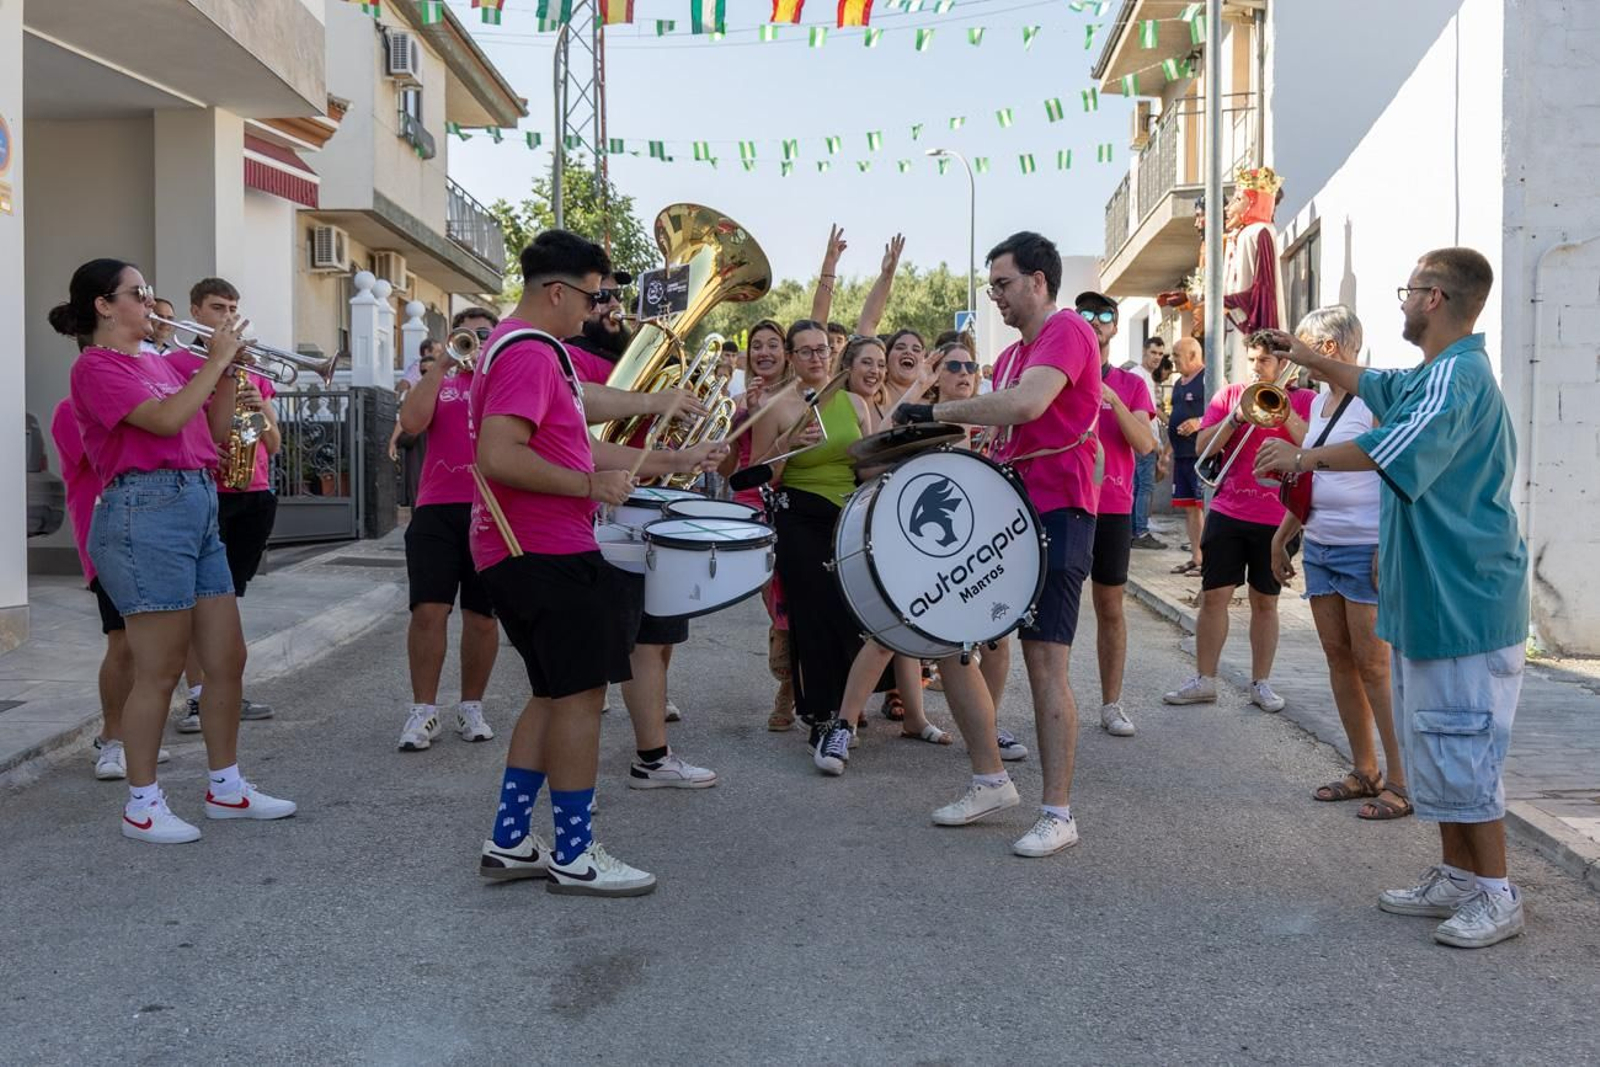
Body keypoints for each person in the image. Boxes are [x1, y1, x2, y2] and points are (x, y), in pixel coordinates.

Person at [1255, 249, 1529, 948]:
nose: (1401, 301)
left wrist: (1303, 458)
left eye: (1408, 289)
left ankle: (1497, 892)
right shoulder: (1436, 374)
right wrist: (1307, 358)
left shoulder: (1456, 379)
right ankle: (1458, 875)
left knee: (1465, 746)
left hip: (1466, 601)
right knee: (1439, 743)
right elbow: (1371, 382)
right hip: (1437, 600)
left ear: (1433, 298)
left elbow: (1385, 445)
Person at [470, 232, 726, 896]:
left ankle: (509, 840)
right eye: (593, 294)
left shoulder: (526, 348)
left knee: (551, 695)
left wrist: (668, 452)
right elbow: (501, 454)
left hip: (525, 550)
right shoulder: (528, 353)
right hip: (544, 551)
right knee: (581, 700)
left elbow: (580, 426)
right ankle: (576, 853)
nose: (596, 309)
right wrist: (588, 489)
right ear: (558, 290)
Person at [54, 258, 295, 843]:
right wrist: (213, 361)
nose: (148, 301)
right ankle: (141, 803)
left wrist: (232, 374)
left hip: (197, 503)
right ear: (104, 307)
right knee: (158, 670)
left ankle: (227, 787)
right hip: (143, 510)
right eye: (137, 293)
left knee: (226, 658)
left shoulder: (159, 363)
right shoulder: (96, 368)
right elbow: (162, 422)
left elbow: (210, 434)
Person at [894, 231, 1102, 858]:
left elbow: (1028, 405)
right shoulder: (1011, 354)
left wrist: (932, 415)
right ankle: (990, 779)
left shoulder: (1067, 330)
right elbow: (999, 427)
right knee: (951, 638)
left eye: (1004, 285)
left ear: (1038, 281)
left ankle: (1058, 812)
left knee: (1046, 663)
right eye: (992, 288)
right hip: (1008, 516)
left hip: (1060, 512)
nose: (997, 298)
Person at [565, 276, 717, 786]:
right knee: (608, 651)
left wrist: (684, 447)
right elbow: (585, 426)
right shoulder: (568, 356)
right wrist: (656, 406)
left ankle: (652, 754)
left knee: (657, 633)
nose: (611, 305)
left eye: (615, 297)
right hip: (598, 512)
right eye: (599, 297)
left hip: (650, 503)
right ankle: (575, 794)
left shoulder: (638, 354)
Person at [1265, 306, 1408, 820]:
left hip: (1365, 547)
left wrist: (1387, 547)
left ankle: (1401, 779)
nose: (1291, 359)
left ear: (1325, 349)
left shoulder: (1373, 399)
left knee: (1374, 665)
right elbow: (1313, 480)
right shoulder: (1323, 405)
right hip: (1323, 545)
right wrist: (1285, 537)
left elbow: (1399, 471)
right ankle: (1364, 769)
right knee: (1338, 659)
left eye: (1298, 347)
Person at [748, 319, 876, 769]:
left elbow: (869, 465)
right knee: (814, 615)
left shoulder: (856, 402)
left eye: (822, 349)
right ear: (791, 356)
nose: (816, 358)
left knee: (852, 612)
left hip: (850, 516)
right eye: (805, 351)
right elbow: (759, 472)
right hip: (798, 514)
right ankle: (820, 717)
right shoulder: (775, 404)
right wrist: (788, 443)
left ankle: (846, 713)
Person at [1163, 332, 1312, 712]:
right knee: (1214, 597)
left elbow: (1311, 446)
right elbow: (1201, 448)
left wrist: (1284, 410)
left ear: (1282, 364)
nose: (1255, 368)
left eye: (1263, 361)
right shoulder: (1229, 397)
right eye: (1252, 360)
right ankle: (1204, 679)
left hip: (1277, 518)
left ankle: (1261, 683)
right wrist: (1234, 418)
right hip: (1229, 511)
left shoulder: (1306, 400)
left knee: (1266, 602)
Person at [164, 278, 279, 732]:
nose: (227, 315)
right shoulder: (175, 363)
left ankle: (226, 689)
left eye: (233, 307)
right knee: (199, 600)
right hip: (205, 491)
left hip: (252, 490)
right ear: (195, 311)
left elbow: (271, 443)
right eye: (217, 307)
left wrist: (259, 409)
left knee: (227, 602)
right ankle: (197, 697)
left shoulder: (252, 369)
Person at [51, 384, 172, 780]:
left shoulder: (139, 408)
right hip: (106, 538)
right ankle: (111, 740)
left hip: (147, 532)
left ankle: (133, 735)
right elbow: (110, 461)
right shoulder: (72, 410)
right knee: (121, 641)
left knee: (145, 645)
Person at [394, 333, 499, 752]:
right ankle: (424, 711)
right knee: (428, 610)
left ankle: (471, 706)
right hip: (437, 506)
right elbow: (412, 423)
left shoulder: (502, 381)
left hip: (491, 507)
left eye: (484, 335)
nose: (475, 345)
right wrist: (441, 367)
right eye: (467, 336)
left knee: (482, 617)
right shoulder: (443, 380)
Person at [1076, 292, 1159, 738]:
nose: (1094, 321)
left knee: (1110, 607)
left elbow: (1145, 445)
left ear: (1114, 326)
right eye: (1085, 313)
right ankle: (1055, 700)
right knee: (1059, 608)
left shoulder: (1131, 384)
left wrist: (1113, 400)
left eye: (1104, 315)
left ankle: (1111, 703)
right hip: (1067, 505)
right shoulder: (1060, 376)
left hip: (1111, 507)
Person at [1164, 338, 1207, 575]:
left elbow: (1224, 413)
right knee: (1190, 508)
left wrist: (1198, 423)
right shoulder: (1179, 383)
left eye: (1177, 355)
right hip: (1181, 455)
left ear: (1192, 355)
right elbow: (1175, 419)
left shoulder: (1210, 378)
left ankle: (1210, 559)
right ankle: (1197, 557)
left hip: (1200, 456)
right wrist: (1165, 453)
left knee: (1203, 506)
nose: (1173, 360)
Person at [1129, 337, 1168, 549]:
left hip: (1146, 439)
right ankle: (1141, 532)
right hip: (1143, 440)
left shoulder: (1147, 377)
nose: (1157, 358)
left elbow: (1152, 411)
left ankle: (1134, 531)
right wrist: (1154, 442)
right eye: (1153, 353)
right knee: (1144, 486)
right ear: (1145, 351)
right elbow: (1141, 414)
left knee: (1138, 487)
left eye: (1160, 354)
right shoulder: (1137, 375)